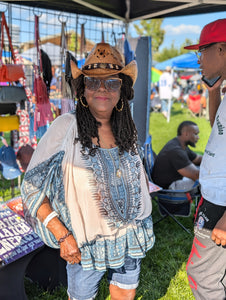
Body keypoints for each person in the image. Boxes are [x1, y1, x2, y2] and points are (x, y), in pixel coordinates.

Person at [21, 42, 155, 300]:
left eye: (112, 82)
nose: (102, 89)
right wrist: (62, 236)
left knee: (125, 295)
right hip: (85, 243)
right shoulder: (66, 127)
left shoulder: (127, 128)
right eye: (93, 82)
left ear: (122, 91)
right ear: (82, 90)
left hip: (130, 236)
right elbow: (31, 186)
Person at [184, 19, 226, 300]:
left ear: (222, 49)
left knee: (202, 278)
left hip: (222, 204)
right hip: (216, 197)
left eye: (203, 50)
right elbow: (218, 131)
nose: (199, 59)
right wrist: (214, 93)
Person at [152, 121, 202, 190]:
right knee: (205, 182)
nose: (198, 137)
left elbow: (198, 159)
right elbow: (196, 175)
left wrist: (214, 161)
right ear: (186, 134)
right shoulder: (176, 151)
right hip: (169, 188)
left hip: (176, 180)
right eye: (196, 134)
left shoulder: (180, 144)